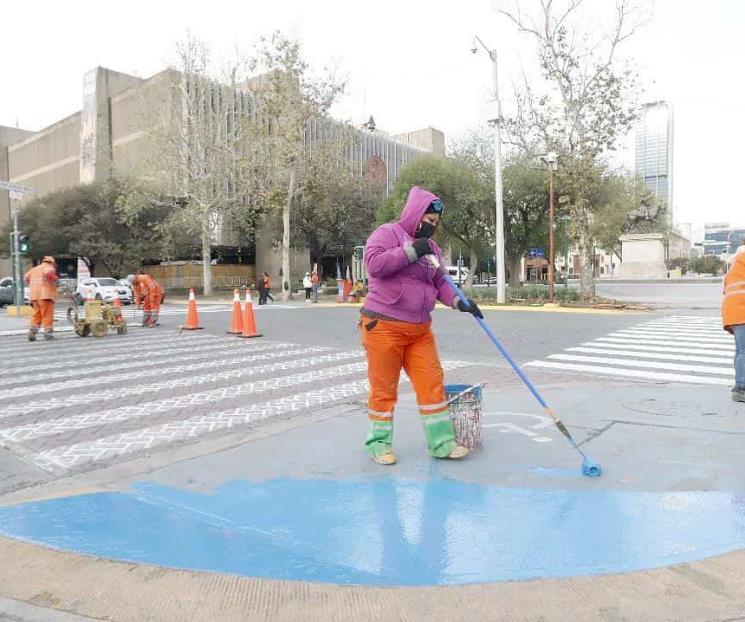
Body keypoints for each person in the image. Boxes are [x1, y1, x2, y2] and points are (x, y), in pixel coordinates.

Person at [360, 186, 482, 465]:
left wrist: (459, 301)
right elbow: (375, 265)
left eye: (436, 224)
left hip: (419, 331)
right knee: (384, 389)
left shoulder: (434, 249)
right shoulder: (387, 234)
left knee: (432, 384)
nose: (432, 227)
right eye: (428, 221)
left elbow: (440, 282)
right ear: (415, 215)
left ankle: (441, 444)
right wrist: (411, 252)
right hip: (383, 326)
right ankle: (378, 444)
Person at [722, 241, 745, 403]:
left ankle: (739, 386)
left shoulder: (733, 269)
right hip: (742, 311)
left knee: (740, 351)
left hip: (733, 314)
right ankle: (740, 388)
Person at [25, 256, 59, 342]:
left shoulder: (34, 269)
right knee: (47, 315)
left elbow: (26, 278)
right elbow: (49, 274)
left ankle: (32, 332)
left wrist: (33, 285)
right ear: (51, 262)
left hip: (34, 296)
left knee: (37, 315)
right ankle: (48, 333)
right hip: (45, 295)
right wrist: (56, 280)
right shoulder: (49, 268)